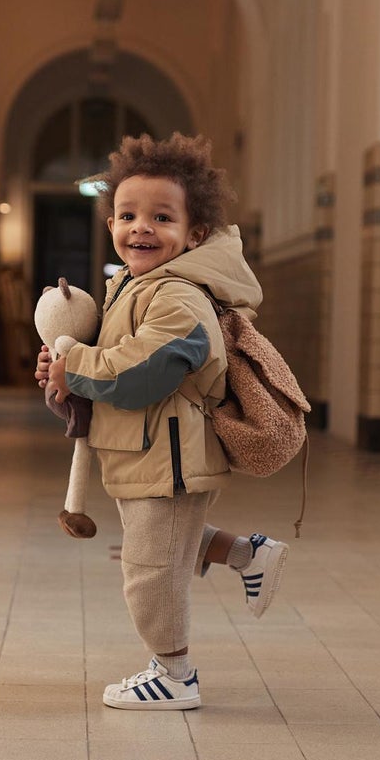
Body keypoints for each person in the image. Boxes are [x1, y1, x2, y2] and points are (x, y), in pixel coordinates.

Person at [34, 133, 288, 710]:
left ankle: (174, 675)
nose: (140, 227)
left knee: (152, 568)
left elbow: (141, 371)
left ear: (194, 233)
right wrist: (64, 374)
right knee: (166, 547)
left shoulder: (179, 296)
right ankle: (251, 555)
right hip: (144, 453)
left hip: (168, 457)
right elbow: (103, 366)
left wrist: (77, 366)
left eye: (161, 217)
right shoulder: (130, 285)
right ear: (110, 226)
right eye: (127, 215)